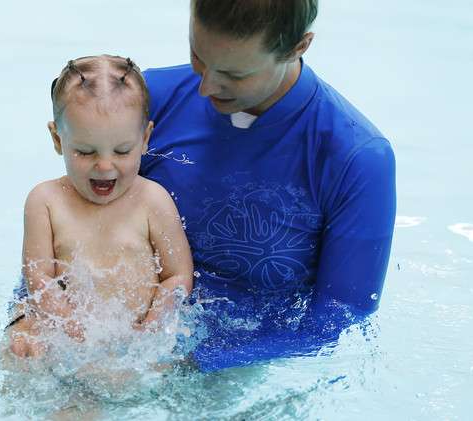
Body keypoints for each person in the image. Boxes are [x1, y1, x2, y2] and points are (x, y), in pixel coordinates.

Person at [139, 0, 396, 371]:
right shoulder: (152, 100)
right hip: (127, 329)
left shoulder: (356, 158)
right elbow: (71, 223)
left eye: (235, 74)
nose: (206, 86)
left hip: (246, 366)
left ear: (299, 47)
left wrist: (196, 365)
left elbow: (340, 317)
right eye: (198, 55)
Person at [6, 55, 194, 359]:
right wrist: (73, 331)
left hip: (137, 347)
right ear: (57, 139)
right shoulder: (46, 202)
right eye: (84, 151)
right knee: (20, 351)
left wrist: (154, 324)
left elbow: (177, 275)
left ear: (145, 138)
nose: (105, 166)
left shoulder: (152, 201)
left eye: (122, 150)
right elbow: (39, 278)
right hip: (70, 345)